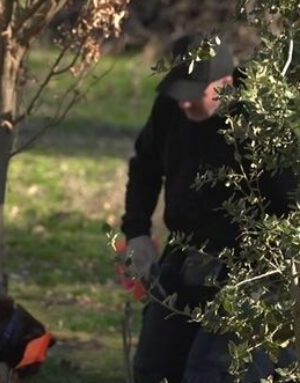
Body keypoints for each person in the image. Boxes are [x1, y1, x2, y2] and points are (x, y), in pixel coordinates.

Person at [120, 37, 297, 383]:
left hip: (249, 268)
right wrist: (137, 231)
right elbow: (144, 166)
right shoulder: (171, 107)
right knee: (152, 369)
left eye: (194, 93)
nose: (184, 102)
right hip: (186, 253)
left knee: (210, 373)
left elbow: (292, 205)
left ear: (226, 85)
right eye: (179, 91)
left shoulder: (260, 124)